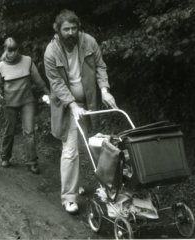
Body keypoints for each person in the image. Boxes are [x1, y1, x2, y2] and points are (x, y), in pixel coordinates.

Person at [44, 9, 118, 214]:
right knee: (70, 149)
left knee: (87, 143)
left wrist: (104, 90)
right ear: (57, 30)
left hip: (89, 102)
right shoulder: (51, 52)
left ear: (78, 28)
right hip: (66, 105)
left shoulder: (89, 42)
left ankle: (79, 185)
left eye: (73, 28)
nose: (70, 32)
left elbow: (101, 67)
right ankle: (69, 197)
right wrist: (73, 106)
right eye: (65, 29)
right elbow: (57, 83)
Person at [0, 37, 50, 174]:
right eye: (9, 50)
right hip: (9, 103)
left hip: (26, 101)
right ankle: (5, 156)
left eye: (14, 50)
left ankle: (32, 161)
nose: (12, 53)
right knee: (9, 131)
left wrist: (49, 94)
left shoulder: (27, 61)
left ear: (18, 49)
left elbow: (38, 81)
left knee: (29, 131)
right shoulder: (0, 67)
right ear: (5, 50)